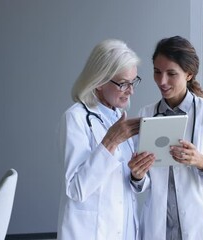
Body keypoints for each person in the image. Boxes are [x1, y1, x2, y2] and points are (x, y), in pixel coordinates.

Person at [128, 36, 203, 240]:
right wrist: (137, 174)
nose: (162, 81)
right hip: (159, 229)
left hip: (200, 228)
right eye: (157, 72)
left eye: (171, 73)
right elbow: (141, 184)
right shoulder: (146, 114)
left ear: (189, 74)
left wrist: (200, 161)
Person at [57, 39, 155, 240]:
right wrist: (110, 142)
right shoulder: (76, 118)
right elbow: (76, 189)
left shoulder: (119, 119)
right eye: (123, 84)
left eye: (133, 81)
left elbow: (129, 185)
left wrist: (138, 176)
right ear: (100, 82)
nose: (131, 91)